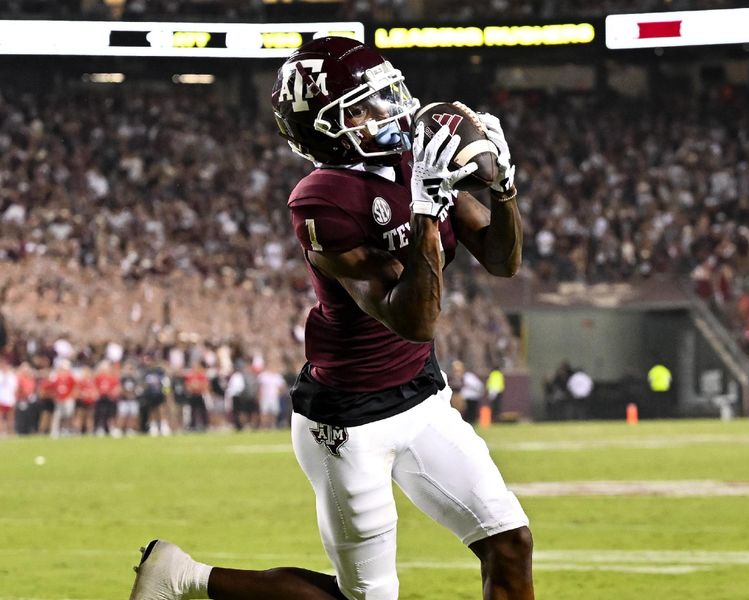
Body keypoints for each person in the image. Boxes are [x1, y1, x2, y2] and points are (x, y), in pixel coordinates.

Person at [130, 37, 533, 600]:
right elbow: (412, 318)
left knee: (509, 541)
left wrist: (506, 189)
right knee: (366, 597)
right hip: (349, 419)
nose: (390, 112)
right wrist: (422, 207)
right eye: (365, 107)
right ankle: (185, 578)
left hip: (421, 394)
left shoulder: (410, 159)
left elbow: (500, 259)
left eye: (387, 96)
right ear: (324, 127)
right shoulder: (322, 198)